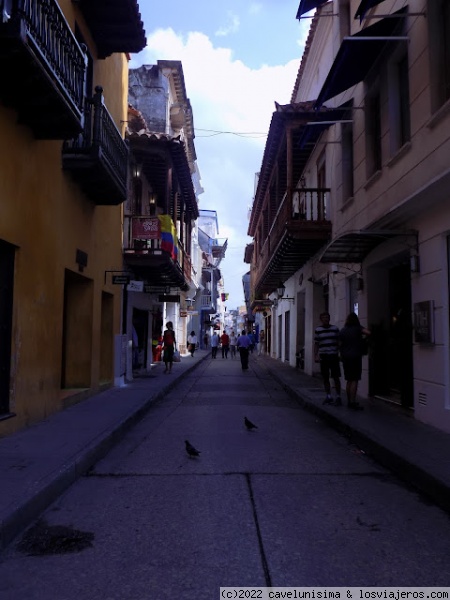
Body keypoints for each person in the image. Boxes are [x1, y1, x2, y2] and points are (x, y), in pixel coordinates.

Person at [339, 312, 371, 410]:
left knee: (348, 380)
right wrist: (363, 340)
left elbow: (339, 343)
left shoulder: (343, 330)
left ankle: (349, 401)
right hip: (355, 356)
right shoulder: (358, 328)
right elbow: (369, 333)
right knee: (355, 380)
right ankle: (353, 401)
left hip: (345, 357)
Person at [314, 311, 342, 405]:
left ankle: (338, 396)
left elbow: (339, 342)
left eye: (327, 317)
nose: (326, 319)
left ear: (329, 319)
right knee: (325, 377)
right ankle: (328, 396)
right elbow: (316, 343)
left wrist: (339, 353)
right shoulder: (318, 330)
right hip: (324, 356)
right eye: (324, 318)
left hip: (333, 355)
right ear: (321, 319)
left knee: (336, 377)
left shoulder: (335, 329)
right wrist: (316, 355)